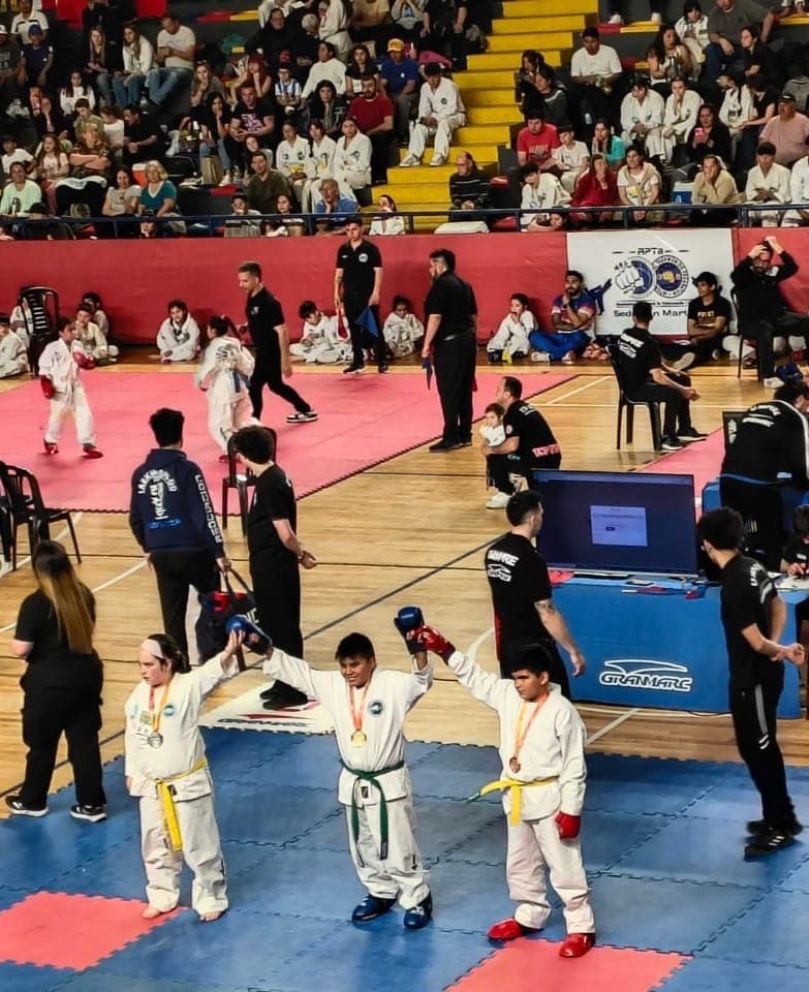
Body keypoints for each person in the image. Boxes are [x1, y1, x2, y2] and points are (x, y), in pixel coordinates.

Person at [413, 625, 595, 956]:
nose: (518, 684)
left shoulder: (563, 712)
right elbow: (475, 679)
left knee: (564, 863)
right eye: (515, 678)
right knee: (519, 862)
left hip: (551, 797)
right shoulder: (509, 695)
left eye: (524, 678)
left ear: (543, 677)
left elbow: (573, 766)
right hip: (516, 796)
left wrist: (572, 809)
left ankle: (581, 925)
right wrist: (446, 650)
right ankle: (530, 913)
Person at [259, 624, 433, 927]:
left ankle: (417, 897)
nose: (349, 672)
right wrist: (262, 646)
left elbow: (422, 679)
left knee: (397, 842)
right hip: (353, 780)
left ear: (371, 661)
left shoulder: (392, 684)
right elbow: (299, 672)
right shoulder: (333, 685)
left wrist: (417, 648)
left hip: (387, 780)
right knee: (362, 842)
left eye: (355, 664)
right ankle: (380, 890)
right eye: (343, 666)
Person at [697, 508, 804, 857]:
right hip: (759, 675)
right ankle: (778, 815)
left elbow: (755, 642)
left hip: (753, 680)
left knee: (761, 751)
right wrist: (777, 649)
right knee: (754, 747)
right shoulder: (755, 567)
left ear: (708, 545)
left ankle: (780, 825)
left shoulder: (733, 585)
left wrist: (779, 650)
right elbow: (779, 606)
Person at [126, 630, 241, 922]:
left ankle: (211, 894)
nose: (144, 671)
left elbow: (212, 674)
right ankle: (162, 894)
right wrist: (131, 772)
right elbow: (133, 737)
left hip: (187, 781)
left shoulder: (187, 687)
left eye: (150, 665)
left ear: (168, 663)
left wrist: (227, 652)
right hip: (151, 783)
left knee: (199, 842)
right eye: (140, 665)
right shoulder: (138, 696)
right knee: (154, 842)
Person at [6, 540, 106, 821]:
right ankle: (91, 804)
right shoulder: (84, 595)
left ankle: (33, 800)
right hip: (86, 677)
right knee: (84, 743)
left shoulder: (36, 603)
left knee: (42, 744)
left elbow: (21, 648)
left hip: (48, 685)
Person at [129, 408, 229, 661]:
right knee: (212, 604)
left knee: (172, 618)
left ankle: (179, 668)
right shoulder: (188, 470)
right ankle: (212, 659)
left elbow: (135, 519)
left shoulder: (140, 473)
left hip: (161, 552)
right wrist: (218, 550)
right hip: (194, 551)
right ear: (181, 436)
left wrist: (148, 546)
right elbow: (204, 512)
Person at [231, 425, 317, 710]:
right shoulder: (272, 476)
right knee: (274, 624)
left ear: (245, 455)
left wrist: (300, 553)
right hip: (269, 563)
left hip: (274, 565)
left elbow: (285, 532)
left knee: (283, 627)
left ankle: (294, 688)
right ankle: (283, 680)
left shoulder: (270, 483)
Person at [485, 491, 585, 693]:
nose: (542, 518)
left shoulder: (493, 552)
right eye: (541, 513)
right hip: (534, 649)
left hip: (508, 646)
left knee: (518, 705)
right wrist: (573, 651)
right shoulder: (531, 559)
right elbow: (547, 613)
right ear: (532, 519)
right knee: (555, 704)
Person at [719, 381, 809, 570]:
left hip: (727, 477)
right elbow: (801, 460)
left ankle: (727, 576)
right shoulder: (794, 416)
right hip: (758, 483)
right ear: (799, 400)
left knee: (730, 535)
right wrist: (802, 484)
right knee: (771, 534)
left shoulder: (754, 408)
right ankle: (774, 576)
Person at [614, 300, 704, 452]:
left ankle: (684, 429)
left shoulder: (626, 334)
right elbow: (658, 378)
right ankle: (667, 437)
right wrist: (683, 390)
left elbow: (645, 359)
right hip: (637, 388)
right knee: (674, 393)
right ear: (651, 317)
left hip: (634, 380)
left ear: (634, 317)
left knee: (683, 377)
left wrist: (669, 369)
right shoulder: (650, 343)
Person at [237, 260, 317, 424]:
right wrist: (247, 326)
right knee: (276, 386)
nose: (241, 284)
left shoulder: (269, 302)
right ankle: (306, 409)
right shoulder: (251, 296)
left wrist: (285, 361)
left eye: (245, 280)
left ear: (256, 279)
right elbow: (260, 319)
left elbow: (283, 331)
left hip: (270, 351)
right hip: (261, 350)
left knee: (255, 385)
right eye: (240, 280)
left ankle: (254, 421)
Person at [730, 235, 809, 387]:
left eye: (765, 261)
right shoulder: (745, 274)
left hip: (776, 318)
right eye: (758, 260)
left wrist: (778, 247)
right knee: (764, 329)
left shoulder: (772, 272)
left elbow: (792, 267)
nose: (761, 264)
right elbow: (735, 277)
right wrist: (749, 257)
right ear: (753, 258)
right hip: (751, 322)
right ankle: (767, 376)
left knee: (806, 321)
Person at [422, 248, 477, 452]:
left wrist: (427, 345)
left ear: (439, 264)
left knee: (449, 391)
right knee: (464, 390)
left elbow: (435, 316)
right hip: (467, 341)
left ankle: (451, 436)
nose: (430, 270)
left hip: (450, 344)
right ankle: (465, 434)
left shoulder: (441, 285)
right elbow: (473, 318)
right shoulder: (465, 284)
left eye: (431, 265)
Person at [481, 376, 561, 508]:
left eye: (499, 389)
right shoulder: (525, 407)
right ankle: (517, 479)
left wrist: (491, 449)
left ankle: (506, 492)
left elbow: (512, 445)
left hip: (536, 461)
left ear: (507, 394)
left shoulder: (512, 413)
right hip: (552, 457)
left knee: (494, 454)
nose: (496, 392)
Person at [38, 317, 103, 459]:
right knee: (58, 417)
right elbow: (44, 369)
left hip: (75, 385)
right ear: (61, 332)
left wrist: (87, 363)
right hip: (58, 387)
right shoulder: (52, 348)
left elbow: (87, 364)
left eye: (74, 329)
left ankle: (88, 444)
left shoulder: (78, 345)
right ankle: (50, 441)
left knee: (84, 414)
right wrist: (46, 384)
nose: (73, 332)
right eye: (70, 330)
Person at [196, 315, 256, 459]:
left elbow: (210, 368)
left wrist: (201, 381)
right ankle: (257, 441)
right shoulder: (235, 342)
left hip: (224, 389)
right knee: (239, 423)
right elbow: (249, 364)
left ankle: (234, 453)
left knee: (218, 426)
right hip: (241, 388)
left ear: (213, 331)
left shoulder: (213, 347)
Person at [334, 216, 386, 374]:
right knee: (354, 328)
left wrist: (376, 292)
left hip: (367, 294)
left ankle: (382, 360)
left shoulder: (370, 249)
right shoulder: (343, 250)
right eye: (348, 230)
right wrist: (336, 293)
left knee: (373, 327)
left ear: (362, 229)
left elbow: (378, 271)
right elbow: (338, 274)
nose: (351, 233)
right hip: (350, 294)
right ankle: (358, 361)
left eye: (354, 229)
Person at [400, 62, 465, 168]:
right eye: (429, 78)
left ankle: (440, 155)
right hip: (435, 117)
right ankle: (413, 155)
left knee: (444, 123)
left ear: (439, 75)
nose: (432, 80)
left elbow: (452, 108)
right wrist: (425, 119)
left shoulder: (450, 86)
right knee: (420, 126)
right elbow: (423, 108)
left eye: (434, 77)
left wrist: (436, 118)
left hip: (455, 116)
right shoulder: (425, 87)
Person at [668, 270, 733, 370]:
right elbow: (690, 330)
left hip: (715, 340)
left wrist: (698, 337)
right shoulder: (694, 304)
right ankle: (690, 356)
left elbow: (717, 331)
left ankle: (690, 360)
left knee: (705, 348)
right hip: (698, 340)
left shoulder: (722, 303)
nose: (699, 288)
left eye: (703, 285)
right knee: (671, 347)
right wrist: (702, 334)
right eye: (698, 285)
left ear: (712, 287)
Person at [529, 271, 595, 365]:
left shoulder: (587, 301)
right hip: (560, 337)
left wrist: (567, 305)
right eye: (567, 282)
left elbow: (577, 323)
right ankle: (564, 353)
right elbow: (556, 324)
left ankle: (550, 356)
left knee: (578, 337)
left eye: (574, 282)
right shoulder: (558, 300)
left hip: (579, 336)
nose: (570, 285)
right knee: (534, 335)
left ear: (581, 284)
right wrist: (576, 327)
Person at [486, 293, 536, 362]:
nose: (514, 308)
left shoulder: (528, 315)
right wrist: (496, 344)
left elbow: (527, 337)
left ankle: (504, 354)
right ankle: (498, 353)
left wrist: (517, 323)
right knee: (496, 343)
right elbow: (502, 333)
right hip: (512, 342)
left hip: (526, 342)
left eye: (517, 306)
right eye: (512, 306)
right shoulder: (510, 317)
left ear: (525, 307)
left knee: (521, 342)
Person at [0, 311, 28, 378]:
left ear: (9, 326)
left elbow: (6, 359)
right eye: (0, 327)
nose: (3, 329)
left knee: (10, 366)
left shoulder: (13, 338)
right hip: (3, 363)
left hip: (15, 362)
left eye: (6, 326)